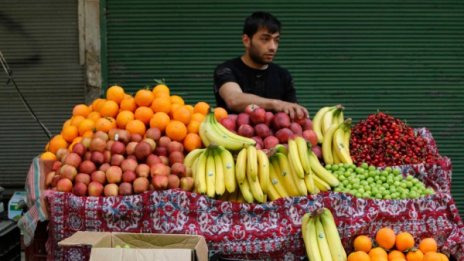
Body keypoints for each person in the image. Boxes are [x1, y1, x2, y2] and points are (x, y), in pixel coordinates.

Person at [213, 11, 309, 120]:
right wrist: (275, 104)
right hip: (232, 135)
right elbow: (234, 99)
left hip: (275, 136)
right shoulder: (226, 70)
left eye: (276, 40)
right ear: (246, 41)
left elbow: (292, 112)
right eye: (265, 39)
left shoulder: (283, 75)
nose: (273, 47)